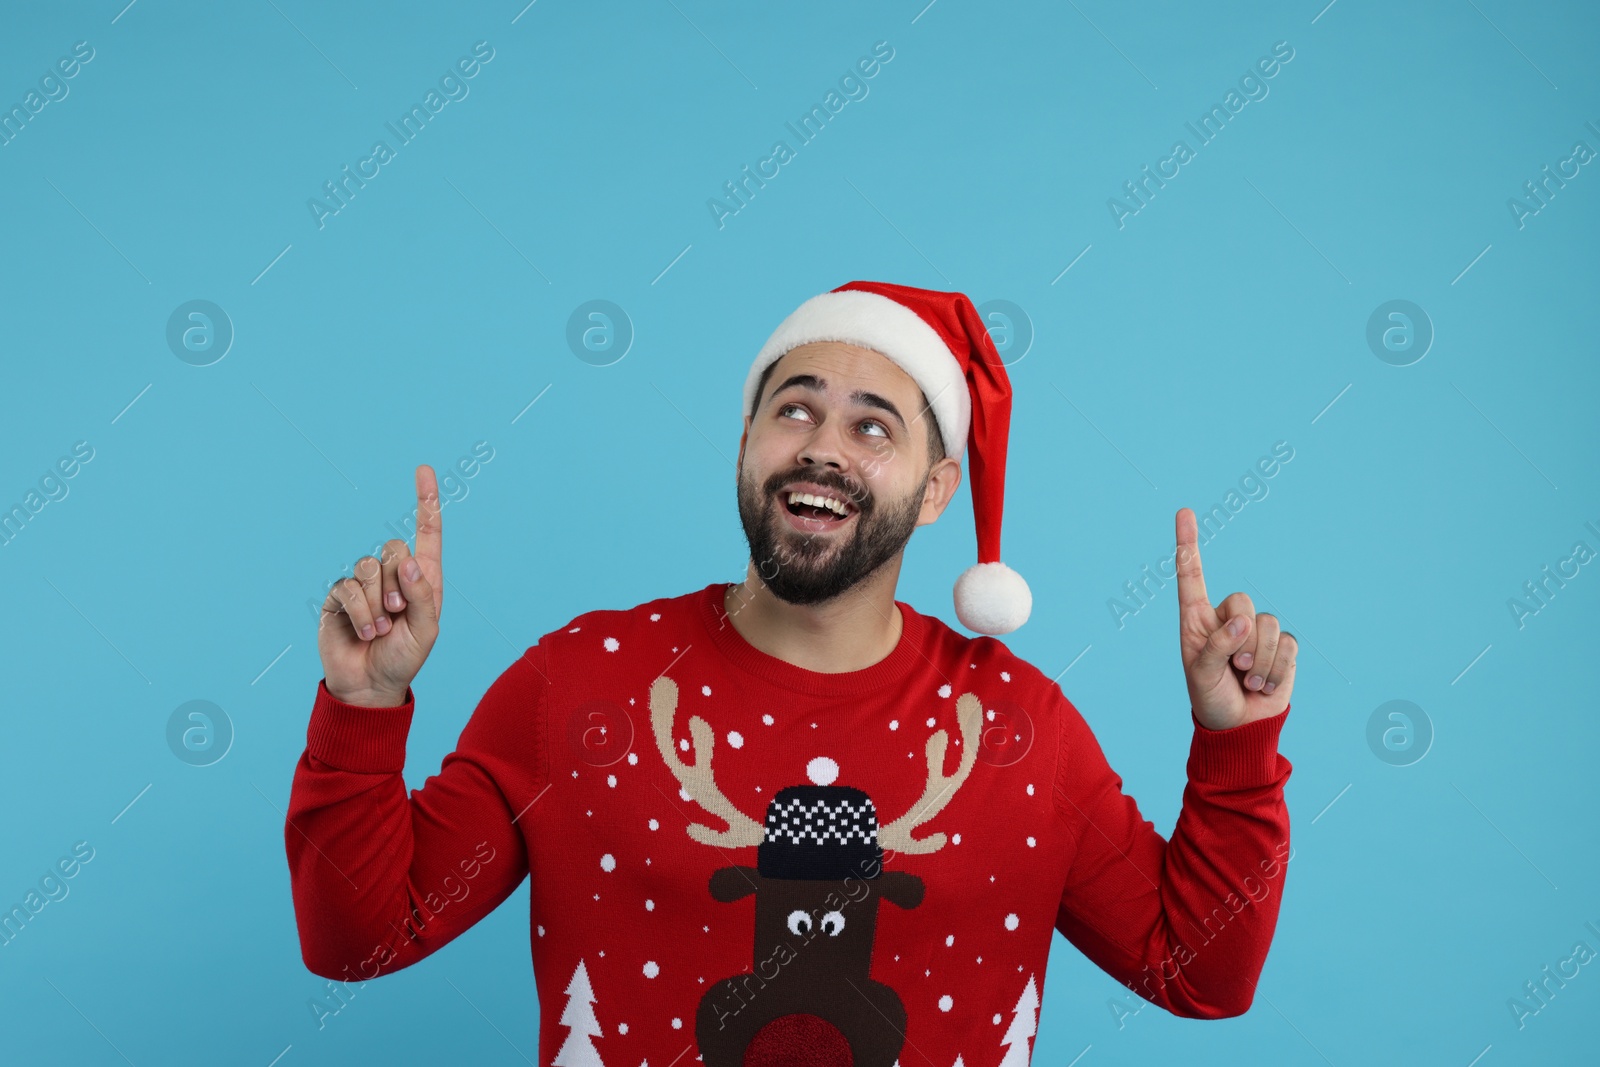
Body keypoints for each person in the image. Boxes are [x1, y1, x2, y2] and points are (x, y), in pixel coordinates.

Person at [286, 280, 1298, 1066]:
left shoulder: (1018, 729)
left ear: (937, 488)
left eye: (873, 426)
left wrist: (1235, 747)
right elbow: (359, 938)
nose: (821, 450)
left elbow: (1197, 969)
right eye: (794, 409)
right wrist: (364, 705)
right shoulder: (577, 686)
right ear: (744, 440)